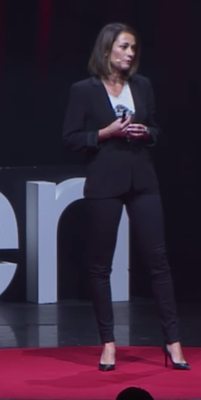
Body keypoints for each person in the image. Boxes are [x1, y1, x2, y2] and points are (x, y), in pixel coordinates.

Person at [62, 22, 188, 371]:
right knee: (101, 265)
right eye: (124, 47)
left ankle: (173, 342)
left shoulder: (142, 85)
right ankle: (108, 343)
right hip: (105, 182)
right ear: (106, 49)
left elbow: (156, 128)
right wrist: (105, 132)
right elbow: (71, 138)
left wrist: (146, 131)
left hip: (143, 180)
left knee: (158, 261)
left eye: (133, 48)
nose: (130, 53)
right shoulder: (83, 90)